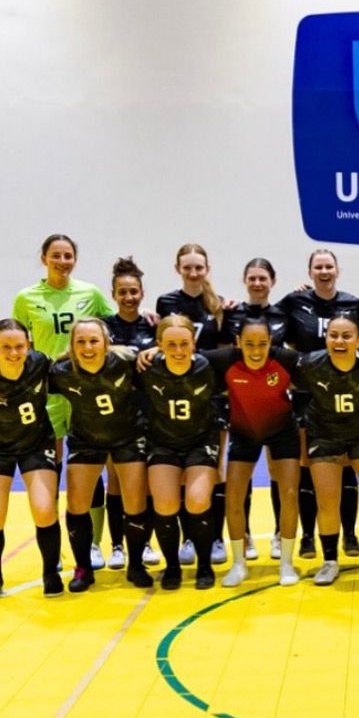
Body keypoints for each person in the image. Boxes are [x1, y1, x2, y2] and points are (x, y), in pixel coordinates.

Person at [13, 234, 114, 568]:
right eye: (56, 255)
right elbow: (19, 345)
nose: (62, 261)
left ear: (75, 259)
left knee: (90, 465)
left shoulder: (90, 293)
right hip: (50, 393)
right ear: (43, 258)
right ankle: (53, 546)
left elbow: (114, 326)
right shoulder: (27, 298)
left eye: (68, 255)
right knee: (51, 470)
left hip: (86, 391)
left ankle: (94, 544)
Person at [0, 319, 62, 600]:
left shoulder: (39, 363)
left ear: (28, 346)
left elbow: (68, 368)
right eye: (6, 347)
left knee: (43, 509)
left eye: (20, 346)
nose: (14, 352)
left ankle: (50, 572)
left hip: (36, 444)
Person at [50, 319, 152, 591]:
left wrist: (153, 350)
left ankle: (136, 565)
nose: (87, 347)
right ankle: (83, 568)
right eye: (80, 342)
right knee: (77, 505)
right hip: (86, 440)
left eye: (94, 341)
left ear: (106, 343)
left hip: (128, 437)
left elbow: (159, 360)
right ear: (72, 346)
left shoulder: (127, 361)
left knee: (135, 505)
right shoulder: (61, 372)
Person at [295, 314, 359, 585]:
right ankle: (329, 562)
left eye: (346, 336)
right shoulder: (310, 364)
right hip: (325, 435)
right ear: (326, 338)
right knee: (327, 501)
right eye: (334, 336)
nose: (339, 341)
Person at [279, 249, 359, 561]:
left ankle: (351, 533)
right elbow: (266, 326)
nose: (324, 271)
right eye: (318, 266)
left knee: (345, 464)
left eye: (329, 266)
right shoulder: (294, 302)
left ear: (338, 270)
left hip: (346, 394)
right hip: (309, 395)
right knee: (309, 465)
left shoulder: (353, 303)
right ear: (310, 271)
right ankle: (307, 535)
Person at [205, 318, 301, 587]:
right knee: (234, 495)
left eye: (262, 344)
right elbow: (186, 352)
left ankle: (286, 563)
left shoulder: (285, 360)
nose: (256, 351)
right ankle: (239, 564)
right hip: (244, 433)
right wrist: (154, 350)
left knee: (289, 493)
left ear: (271, 342)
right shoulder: (226, 360)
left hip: (283, 432)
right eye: (249, 344)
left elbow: (320, 360)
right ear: (238, 343)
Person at [155, 243, 231, 566]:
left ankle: (215, 536)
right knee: (181, 478)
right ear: (178, 269)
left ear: (207, 268)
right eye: (188, 267)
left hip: (210, 394)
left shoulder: (219, 305)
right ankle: (189, 538)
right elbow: (161, 342)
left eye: (199, 267)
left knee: (215, 472)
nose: (194, 272)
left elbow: (227, 351)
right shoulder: (167, 302)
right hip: (177, 392)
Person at [139, 315, 223, 589]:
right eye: (170, 344)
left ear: (194, 343)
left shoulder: (208, 365)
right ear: (159, 345)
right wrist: (146, 352)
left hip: (201, 441)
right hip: (163, 442)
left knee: (197, 501)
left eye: (184, 344)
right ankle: (172, 566)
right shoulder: (147, 367)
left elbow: (246, 349)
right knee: (165, 504)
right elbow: (108, 351)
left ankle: (204, 565)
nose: (178, 351)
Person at [219, 258, 288, 563]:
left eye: (263, 278)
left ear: (272, 281)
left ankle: (277, 534)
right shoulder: (231, 312)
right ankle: (243, 535)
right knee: (239, 478)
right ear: (245, 281)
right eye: (252, 278)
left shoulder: (285, 311)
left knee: (277, 472)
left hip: (277, 403)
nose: (257, 283)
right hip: (243, 404)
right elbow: (222, 353)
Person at [105, 256, 160, 570]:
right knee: (115, 481)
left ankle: (145, 541)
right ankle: (116, 546)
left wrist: (156, 348)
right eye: (122, 292)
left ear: (141, 293)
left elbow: (173, 344)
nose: (128, 297)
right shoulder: (104, 327)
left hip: (149, 410)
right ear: (114, 294)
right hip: (115, 413)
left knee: (145, 483)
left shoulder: (152, 325)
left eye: (134, 291)